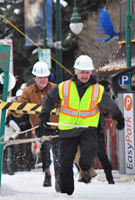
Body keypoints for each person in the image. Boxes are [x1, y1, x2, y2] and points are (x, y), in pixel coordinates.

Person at [40, 55, 125, 195]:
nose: (84, 75)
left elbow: (110, 105)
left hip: (88, 129)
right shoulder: (65, 86)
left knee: (89, 152)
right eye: (82, 72)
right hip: (67, 130)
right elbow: (49, 97)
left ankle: (85, 168)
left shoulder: (97, 89)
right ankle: (67, 194)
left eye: (87, 72)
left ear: (90, 72)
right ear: (76, 72)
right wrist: (44, 114)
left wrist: (119, 117)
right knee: (64, 165)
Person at [12, 61, 61, 192]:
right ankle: (47, 173)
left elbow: (65, 102)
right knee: (45, 147)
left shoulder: (56, 88)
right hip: (41, 125)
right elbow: (20, 109)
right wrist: (12, 108)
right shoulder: (28, 92)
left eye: (45, 77)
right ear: (35, 78)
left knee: (58, 153)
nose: (43, 79)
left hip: (57, 125)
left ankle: (59, 178)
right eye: (40, 77)